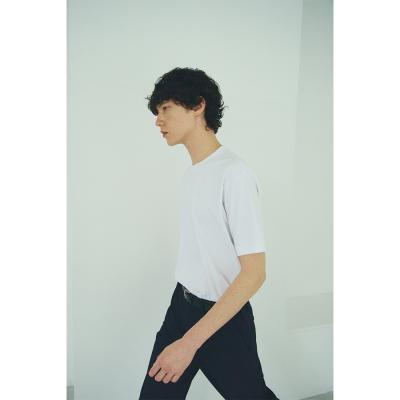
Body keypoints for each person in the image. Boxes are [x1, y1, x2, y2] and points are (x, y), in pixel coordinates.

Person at [139, 67, 279, 399]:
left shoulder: (234, 174)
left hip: (222, 318)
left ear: (198, 105)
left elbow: (255, 273)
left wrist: (189, 343)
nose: (158, 120)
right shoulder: (193, 174)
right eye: (157, 112)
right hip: (182, 306)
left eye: (165, 108)